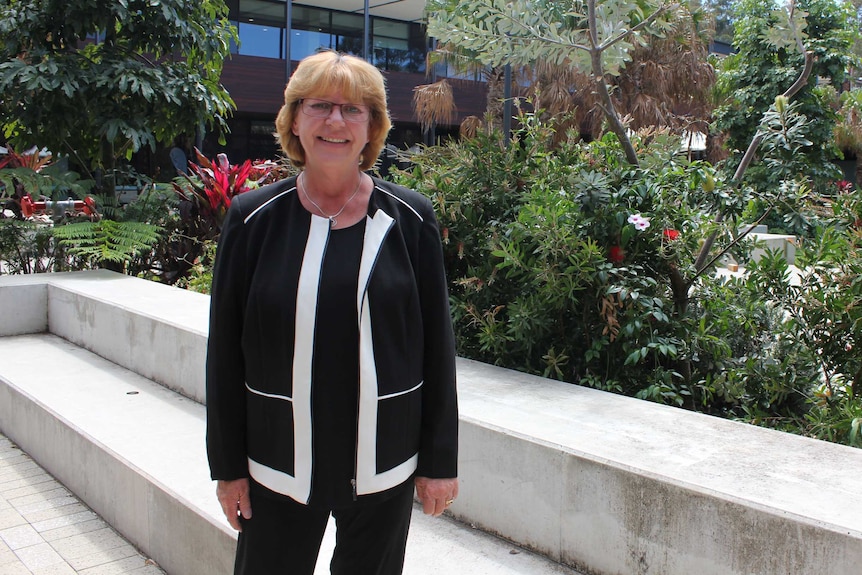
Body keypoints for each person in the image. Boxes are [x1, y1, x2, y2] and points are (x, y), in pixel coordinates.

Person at [205, 50, 459, 575]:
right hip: (277, 463)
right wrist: (227, 469)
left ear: (373, 127)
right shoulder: (251, 221)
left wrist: (439, 463)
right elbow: (224, 355)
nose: (335, 122)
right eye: (320, 106)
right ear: (294, 120)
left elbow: (437, 348)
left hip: (382, 460)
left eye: (354, 109)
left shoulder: (411, 220)